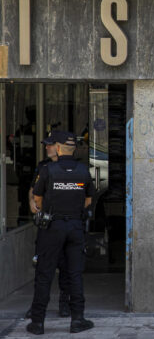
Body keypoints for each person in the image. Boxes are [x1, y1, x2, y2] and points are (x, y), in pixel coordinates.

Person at [27, 131, 95, 335]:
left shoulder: (48, 170)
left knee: (44, 273)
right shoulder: (83, 171)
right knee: (75, 274)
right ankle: (77, 319)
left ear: (58, 148)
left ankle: (38, 322)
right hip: (75, 226)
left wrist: (46, 209)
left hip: (52, 227)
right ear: (73, 150)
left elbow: (37, 199)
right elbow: (88, 201)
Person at [25, 132, 71, 319]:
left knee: (66, 267)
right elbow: (33, 188)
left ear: (59, 146)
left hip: (65, 223)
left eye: (50, 144)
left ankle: (64, 304)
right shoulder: (43, 166)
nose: (46, 147)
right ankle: (37, 307)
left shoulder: (71, 167)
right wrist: (30, 202)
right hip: (46, 224)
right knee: (42, 267)